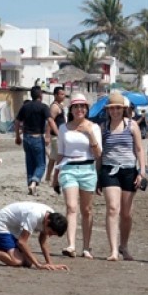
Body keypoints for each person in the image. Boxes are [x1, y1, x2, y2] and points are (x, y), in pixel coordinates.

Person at [98, 91, 146, 261]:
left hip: (128, 171)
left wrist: (142, 171)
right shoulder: (103, 127)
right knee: (112, 208)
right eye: (112, 108)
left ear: (123, 109)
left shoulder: (132, 126)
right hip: (109, 170)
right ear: (108, 110)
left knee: (126, 213)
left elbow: (139, 149)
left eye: (118, 108)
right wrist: (97, 175)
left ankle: (123, 246)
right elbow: (99, 153)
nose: (115, 111)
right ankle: (112, 250)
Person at [53, 92, 101, 259]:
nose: (79, 109)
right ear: (71, 109)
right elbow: (60, 153)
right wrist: (55, 174)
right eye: (76, 106)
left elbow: (98, 154)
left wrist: (90, 133)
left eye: (82, 106)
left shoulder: (93, 127)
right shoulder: (63, 128)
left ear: (86, 109)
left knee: (87, 210)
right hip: (68, 168)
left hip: (88, 169)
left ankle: (86, 247)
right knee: (71, 207)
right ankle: (71, 245)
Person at [0, 202, 69, 271]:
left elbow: (42, 241)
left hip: (15, 228)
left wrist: (50, 263)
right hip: (0, 224)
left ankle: (0, 248)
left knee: (28, 262)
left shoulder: (51, 214)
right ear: (47, 222)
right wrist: (38, 265)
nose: (50, 236)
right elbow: (22, 242)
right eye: (51, 232)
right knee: (17, 261)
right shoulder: (35, 215)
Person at [15, 85, 56, 196]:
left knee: (30, 163)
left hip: (26, 138)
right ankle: (34, 182)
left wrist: (17, 136)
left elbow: (17, 121)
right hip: (37, 137)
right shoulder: (43, 107)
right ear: (40, 95)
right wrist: (58, 134)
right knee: (41, 164)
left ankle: (30, 186)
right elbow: (50, 121)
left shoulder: (25, 107)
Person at [44, 86, 66, 183]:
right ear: (55, 95)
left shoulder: (59, 105)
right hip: (56, 136)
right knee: (60, 158)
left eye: (63, 94)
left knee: (53, 158)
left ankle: (48, 177)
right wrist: (47, 135)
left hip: (58, 135)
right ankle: (57, 178)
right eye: (61, 94)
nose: (63, 96)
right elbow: (50, 121)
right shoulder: (54, 107)